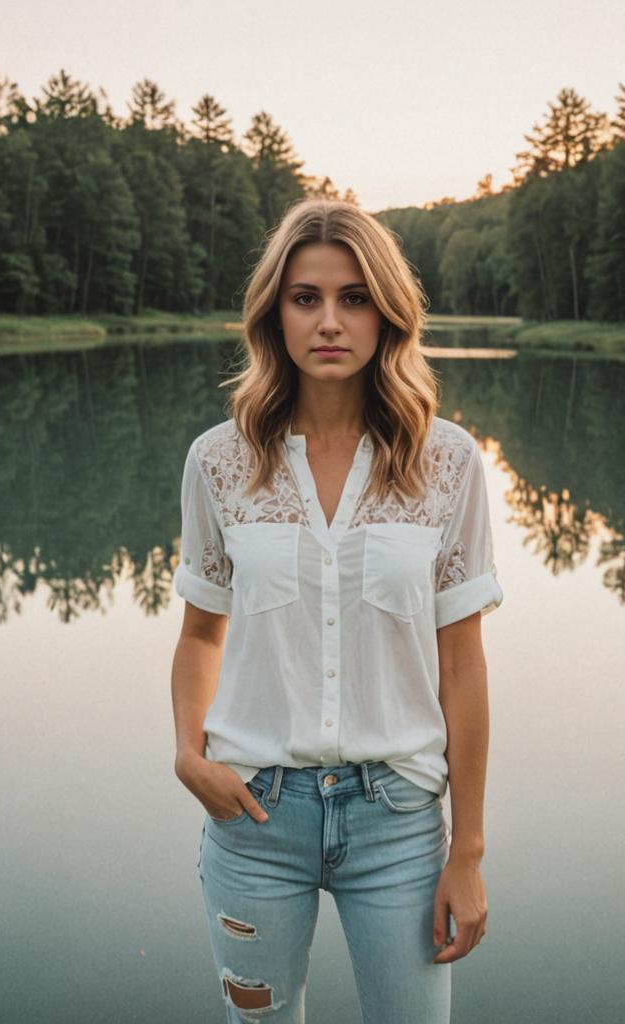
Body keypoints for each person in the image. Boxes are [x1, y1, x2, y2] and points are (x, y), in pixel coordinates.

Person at [170, 197, 503, 1023]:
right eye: (305, 297)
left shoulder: (448, 461)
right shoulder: (218, 460)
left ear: (387, 314)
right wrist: (187, 752)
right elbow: (200, 631)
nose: (329, 320)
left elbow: (462, 665)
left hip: (397, 823)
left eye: (353, 297)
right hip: (253, 817)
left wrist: (468, 849)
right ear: (273, 312)